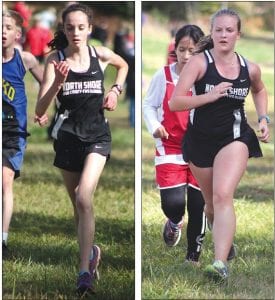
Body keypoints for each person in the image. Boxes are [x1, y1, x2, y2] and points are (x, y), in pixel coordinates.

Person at [35, 3, 128, 296]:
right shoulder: (55, 60)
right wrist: (58, 83)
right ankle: (91, 252)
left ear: (90, 28)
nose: (75, 32)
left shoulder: (98, 54)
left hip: (97, 136)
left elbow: (123, 65)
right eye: (70, 27)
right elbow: (40, 108)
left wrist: (115, 90)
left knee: (84, 196)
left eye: (81, 27)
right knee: (78, 206)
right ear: (63, 28)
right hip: (67, 138)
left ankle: (83, 271)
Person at [169, 9, 269, 280]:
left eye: (229, 30)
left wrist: (263, 117)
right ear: (211, 33)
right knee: (211, 204)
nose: (224, 35)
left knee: (223, 194)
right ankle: (226, 241)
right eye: (218, 30)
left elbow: (259, 89)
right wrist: (209, 96)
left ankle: (219, 263)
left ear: (239, 34)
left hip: (234, 138)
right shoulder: (200, 63)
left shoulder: (249, 68)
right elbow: (175, 102)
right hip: (200, 141)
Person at [143, 25, 207, 265]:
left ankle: (193, 257)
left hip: (201, 149)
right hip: (170, 146)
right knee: (174, 204)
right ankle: (174, 221)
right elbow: (148, 105)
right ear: (175, 49)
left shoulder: (207, 78)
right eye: (182, 50)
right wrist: (154, 127)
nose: (186, 56)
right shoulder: (164, 75)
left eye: (192, 51)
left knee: (198, 205)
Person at [2, 10, 46, 257]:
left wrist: (42, 108)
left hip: (13, 132)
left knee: (4, 181)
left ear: (17, 34)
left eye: (7, 27)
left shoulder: (25, 59)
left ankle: (3, 239)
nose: (2, 31)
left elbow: (46, 83)